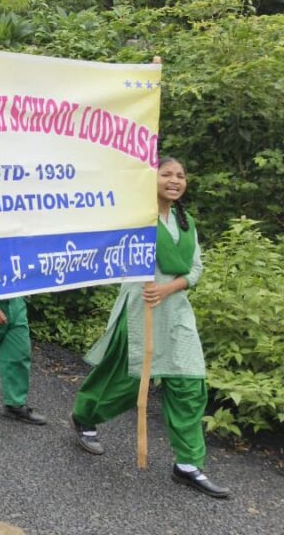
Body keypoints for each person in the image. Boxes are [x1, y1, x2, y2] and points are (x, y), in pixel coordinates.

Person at [71, 158, 229, 498]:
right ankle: (84, 416)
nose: (175, 180)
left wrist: (168, 288)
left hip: (176, 312)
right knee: (126, 381)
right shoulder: (136, 217)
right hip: (140, 307)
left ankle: (187, 465)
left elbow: (196, 269)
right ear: (150, 179)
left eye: (181, 175)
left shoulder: (186, 223)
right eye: (166, 174)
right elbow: (108, 252)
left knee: (189, 383)